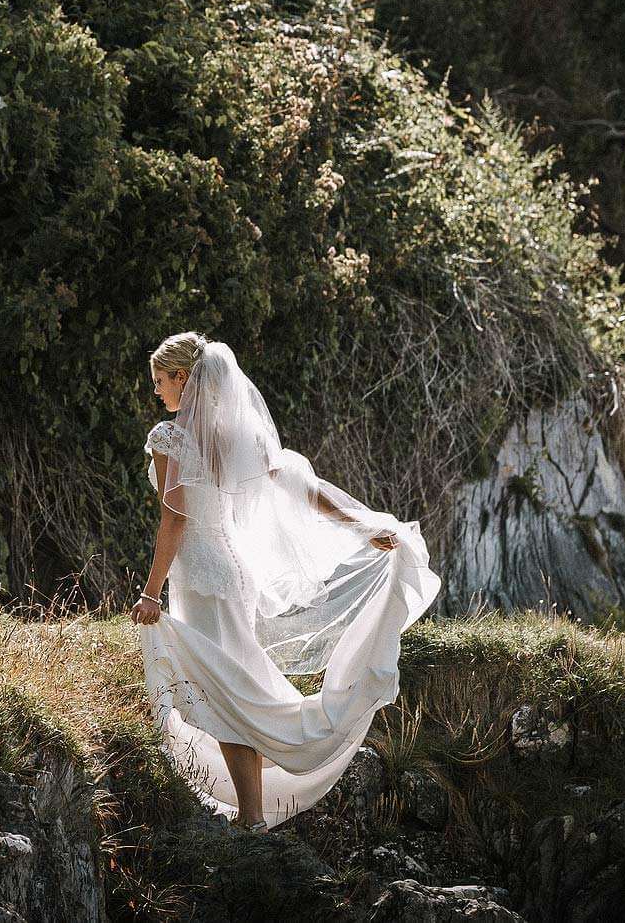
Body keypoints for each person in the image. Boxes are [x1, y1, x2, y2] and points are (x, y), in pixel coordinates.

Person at [130, 332, 441, 829]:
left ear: (183, 379)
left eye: (160, 381)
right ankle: (251, 815)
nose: (157, 392)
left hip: (201, 577)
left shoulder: (171, 440)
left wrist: (150, 593)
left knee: (225, 694)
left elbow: (175, 521)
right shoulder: (237, 439)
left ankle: (251, 818)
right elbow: (303, 489)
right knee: (233, 689)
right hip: (232, 575)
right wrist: (361, 525)